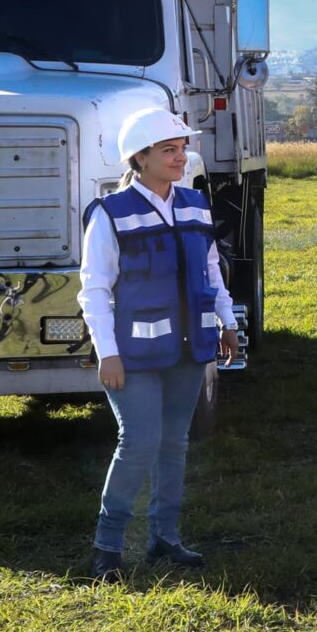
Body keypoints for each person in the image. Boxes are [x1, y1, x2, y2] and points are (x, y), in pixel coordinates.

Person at [77, 106, 240, 580]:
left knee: (175, 443)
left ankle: (165, 538)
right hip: (132, 355)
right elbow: (94, 288)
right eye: (169, 149)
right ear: (140, 158)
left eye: (183, 147)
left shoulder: (195, 204)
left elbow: (211, 271)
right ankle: (107, 547)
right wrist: (107, 352)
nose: (181, 156)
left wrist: (227, 323)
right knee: (139, 442)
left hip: (189, 348)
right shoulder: (110, 214)